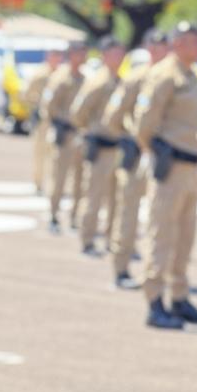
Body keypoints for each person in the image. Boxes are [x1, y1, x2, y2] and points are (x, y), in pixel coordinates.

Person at [135, 22, 197, 328]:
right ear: (178, 44)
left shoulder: (191, 74)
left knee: (185, 236)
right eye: (194, 41)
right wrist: (156, 151)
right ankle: (155, 301)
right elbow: (144, 122)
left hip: (192, 165)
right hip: (172, 166)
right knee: (162, 234)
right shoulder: (165, 74)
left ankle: (179, 298)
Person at [102, 29, 167, 289]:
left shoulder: (173, 78)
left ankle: (157, 271)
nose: (161, 51)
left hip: (163, 156)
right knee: (128, 212)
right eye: (157, 46)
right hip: (137, 153)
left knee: (159, 217)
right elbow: (112, 116)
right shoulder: (135, 78)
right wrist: (129, 138)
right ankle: (121, 268)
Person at [71, 36, 125, 256]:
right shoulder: (98, 81)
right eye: (115, 53)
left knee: (116, 198)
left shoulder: (121, 80)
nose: (119, 58)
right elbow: (78, 113)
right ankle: (87, 239)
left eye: (121, 54)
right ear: (104, 56)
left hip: (117, 147)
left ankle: (112, 238)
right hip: (100, 146)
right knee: (94, 196)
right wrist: (90, 132)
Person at [44, 41, 88, 231]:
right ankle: (53, 214)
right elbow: (49, 106)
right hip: (64, 133)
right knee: (59, 177)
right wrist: (58, 125)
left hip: (80, 134)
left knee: (80, 178)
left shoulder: (86, 79)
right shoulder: (61, 78)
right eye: (78, 53)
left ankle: (74, 216)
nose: (82, 57)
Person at [25, 49, 64, 194]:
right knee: (40, 153)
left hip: (57, 120)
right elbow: (28, 94)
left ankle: (54, 184)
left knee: (56, 154)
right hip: (43, 120)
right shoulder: (40, 74)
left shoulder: (61, 74)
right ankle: (38, 182)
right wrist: (37, 103)